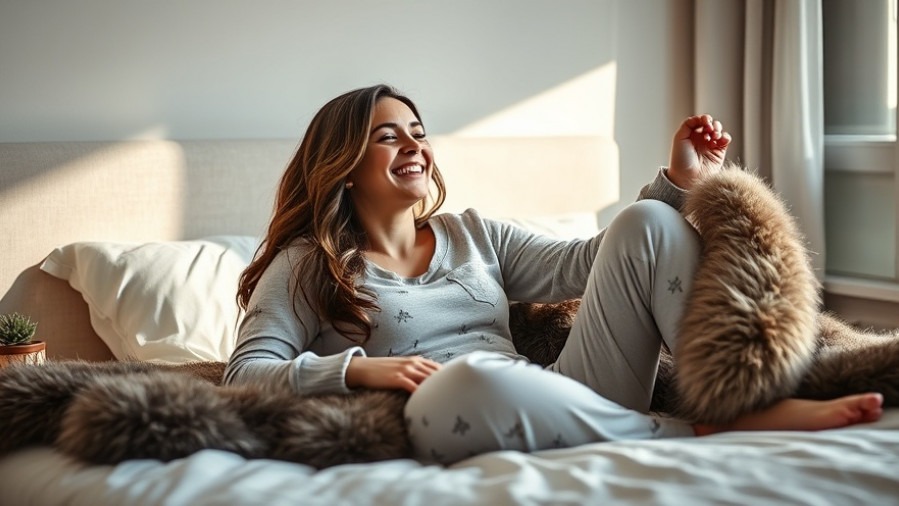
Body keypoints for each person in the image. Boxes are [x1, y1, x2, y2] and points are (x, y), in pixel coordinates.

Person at [224, 84, 884, 465]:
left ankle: (732, 404)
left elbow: (591, 263)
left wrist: (679, 181)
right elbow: (244, 373)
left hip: (563, 392)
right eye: (388, 136)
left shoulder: (474, 234)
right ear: (342, 163)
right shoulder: (307, 264)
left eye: (417, 131)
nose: (414, 145)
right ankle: (706, 432)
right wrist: (363, 370)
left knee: (647, 224)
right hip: (449, 412)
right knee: (467, 381)